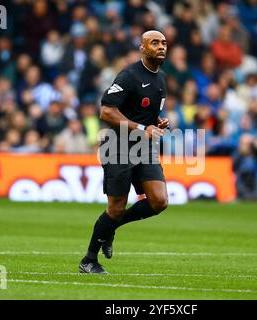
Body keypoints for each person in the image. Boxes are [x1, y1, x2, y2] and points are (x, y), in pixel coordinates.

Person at [79, 30, 170, 274]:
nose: (161, 47)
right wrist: (143, 127)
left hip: (143, 147)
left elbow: (145, 114)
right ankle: (89, 260)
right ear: (142, 48)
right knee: (116, 208)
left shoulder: (161, 79)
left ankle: (112, 228)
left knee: (159, 201)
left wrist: (158, 122)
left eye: (163, 43)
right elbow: (107, 112)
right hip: (118, 146)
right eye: (154, 43)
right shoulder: (129, 75)